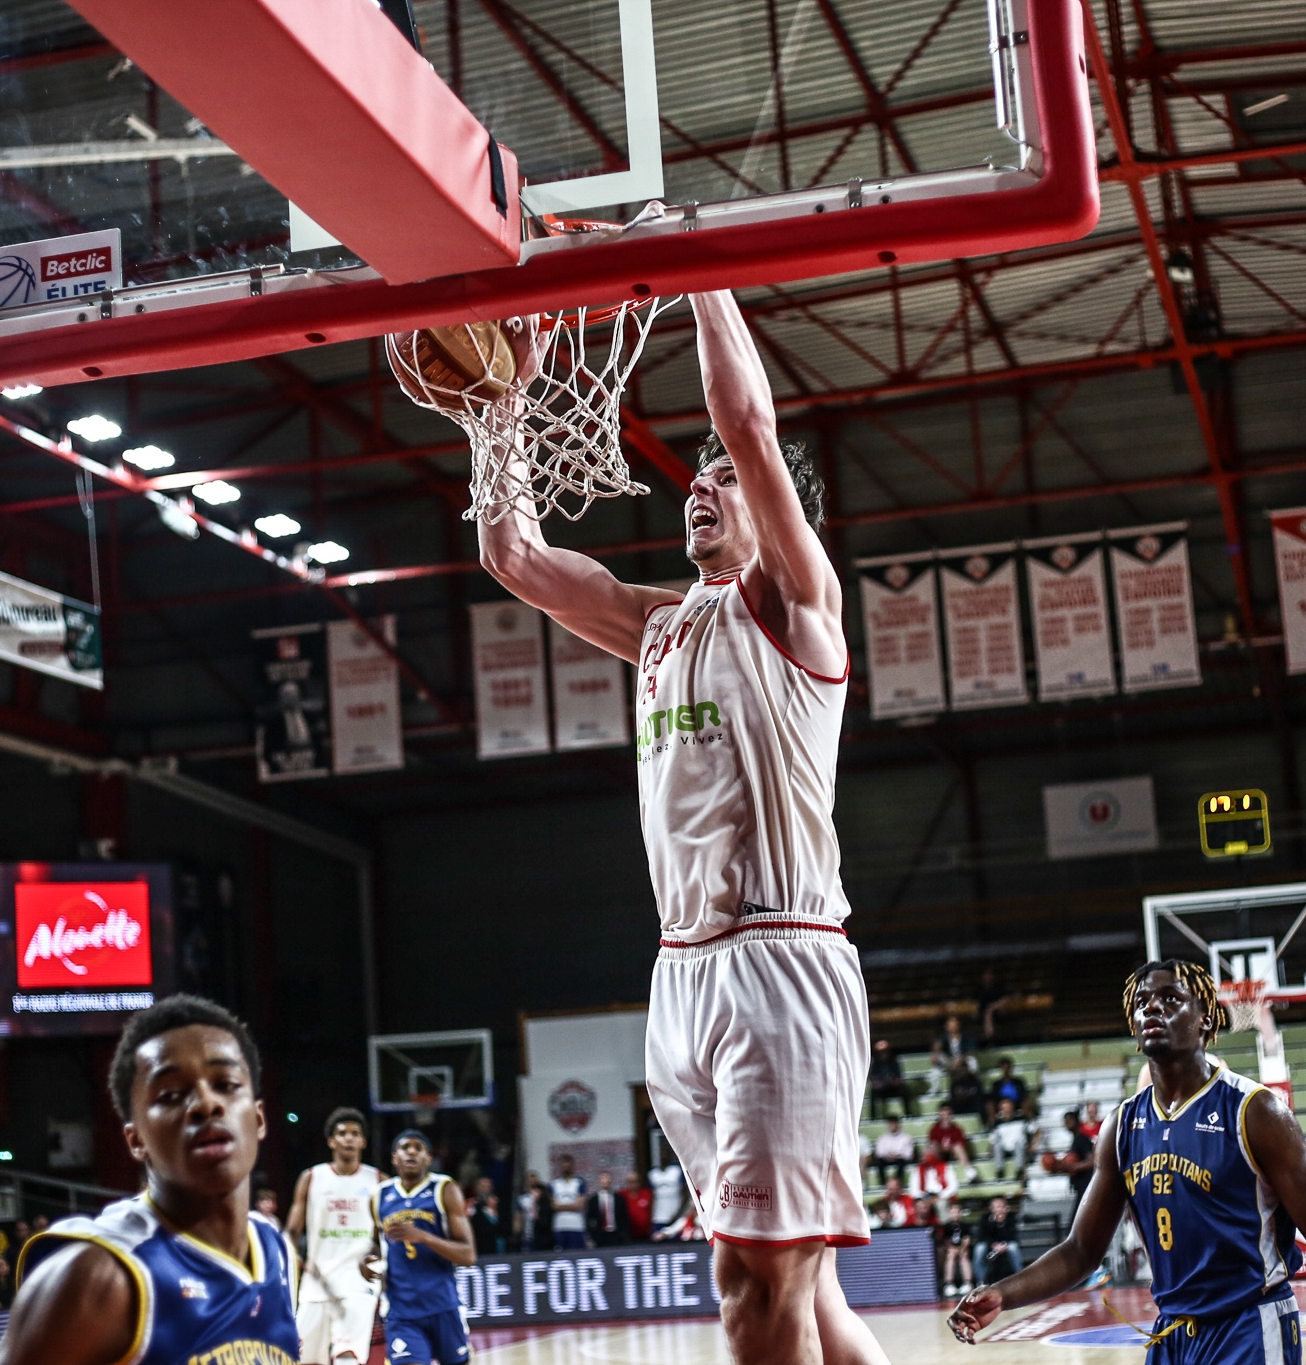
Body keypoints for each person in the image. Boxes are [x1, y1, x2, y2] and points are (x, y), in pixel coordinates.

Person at [477, 289, 881, 1365]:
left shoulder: (795, 604)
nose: (696, 491)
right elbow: (513, 559)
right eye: (689, 483)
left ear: (765, 509)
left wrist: (697, 275)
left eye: (718, 485)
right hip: (681, 974)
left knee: (756, 1295)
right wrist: (498, 410)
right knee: (796, 1296)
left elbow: (747, 426)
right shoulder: (660, 623)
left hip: (777, 957)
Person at [951, 959, 1306, 1365]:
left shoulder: (1256, 1111)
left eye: (1171, 999)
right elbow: (1080, 1251)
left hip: (1248, 1326)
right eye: (1142, 1002)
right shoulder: (1121, 1126)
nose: (1152, 1009)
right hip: (1171, 1334)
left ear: (1204, 1018)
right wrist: (1003, 1293)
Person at [0, 995, 301, 1365]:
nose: (205, 1103)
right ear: (136, 1140)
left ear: (260, 1118)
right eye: (171, 1095)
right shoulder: (99, 1275)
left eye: (227, 1084)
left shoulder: (276, 1253)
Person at [363, 1130, 476, 1365]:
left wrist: (423, 1237)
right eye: (405, 1148)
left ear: (428, 1158)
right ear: (394, 1158)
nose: (411, 1151)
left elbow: (468, 1255)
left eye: (418, 1147)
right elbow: (377, 1244)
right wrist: (366, 1260)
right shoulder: (379, 1196)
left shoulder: (444, 1189)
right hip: (401, 1311)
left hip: (442, 1305)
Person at [287, 1106, 382, 1365]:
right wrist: (290, 1256)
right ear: (331, 1141)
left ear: (363, 1141)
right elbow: (291, 1232)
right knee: (302, 1360)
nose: (349, 1138)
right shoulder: (311, 1178)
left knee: (348, 1358)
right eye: (342, 1133)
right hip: (316, 1282)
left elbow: (386, 1236)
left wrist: (381, 1263)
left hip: (358, 1283)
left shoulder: (378, 1181)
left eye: (355, 1133)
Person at [972, 1196, 1020, 1289]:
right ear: (992, 1209)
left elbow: (1012, 1235)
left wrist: (1004, 1244)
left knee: (1013, 1248)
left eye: (1002, 1206)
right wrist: (993, 1244)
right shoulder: (986, 1218)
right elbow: (983, 1235)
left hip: (1006, 1243)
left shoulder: (1011, 1218)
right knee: (979, 1249)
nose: (1000, 1209)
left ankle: (1020, 1277)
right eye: (997, 1207)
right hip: (990, 1243)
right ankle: (981, 1281)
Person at [548, 1155, 588, 1251]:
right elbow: (554, 1206)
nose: (566, 1167)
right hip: (560, 1226)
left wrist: (561, 1206)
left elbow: (580, 1205)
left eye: (568, 1165)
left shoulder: (579, 1183)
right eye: (564, 1164)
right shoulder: (554, 1184)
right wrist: (572, 1205)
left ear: (572, 1166)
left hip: (576, 1226)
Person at [988, 1098, 1034, 1181]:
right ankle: (999, 1170)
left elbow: (1035, 1131)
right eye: (1004, 1107)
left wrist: (1032, 1146)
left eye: (1008, 1106)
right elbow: (993, 1138)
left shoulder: (1021, 1118)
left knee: (1018, 1144)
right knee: (997, 1146)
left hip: (1019, 1146)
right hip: (1005, 1147)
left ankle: (1019, 1170)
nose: (1007, 1109)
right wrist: (991, 1149)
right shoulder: (998, 1122)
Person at [936, 1202, 974, 1298]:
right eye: (953, 1212)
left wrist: (962, 1248)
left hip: (962, 1248)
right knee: (951, 1255)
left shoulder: (965, 1226)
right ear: (949, 1213)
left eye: (957, 1212)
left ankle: (967, 1282)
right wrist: (952, 1248)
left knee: (964, 1256)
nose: (955, 1214)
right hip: (951, 1249)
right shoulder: (946, 1226)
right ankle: (949, 1283)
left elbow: (967, 1239)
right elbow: (946, 1240)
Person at [585, 1172, 631, 1247]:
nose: (605, 1182)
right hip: (600, 1236)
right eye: (603, 1179)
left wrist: (623, 1235)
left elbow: (624, 1218)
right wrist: (594, 1236)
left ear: (611, 1181)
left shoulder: (619, 1199)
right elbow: (590, 1219)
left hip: (616, 1235)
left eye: (607, 1179)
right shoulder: (593, 1200)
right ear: (599, 1181)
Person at [646, 1147, 685, 1233]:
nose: (663, 1156)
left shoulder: (677, 1171)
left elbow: (685, 1193)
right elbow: (650, 1196)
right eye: (661, 1154)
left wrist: (679, 1213)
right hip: (658, 1216)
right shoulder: (652, 1174)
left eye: (665, 1154)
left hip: (675, 1214)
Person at [868, 1038, 910, 1119]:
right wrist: (879, 1083)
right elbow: (873, 1079)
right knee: (873, 1093)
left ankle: (908, 1113)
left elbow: (899, 1077)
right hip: (882, 1090)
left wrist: (893, 1081)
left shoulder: (893, 1061)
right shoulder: (875, 1063)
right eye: (881, 1052)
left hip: (893, 1088)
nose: (883, 1054)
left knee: (905, 1090)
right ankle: (873, 1117)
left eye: (885, 1051)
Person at [870, 1115, 914, 1187]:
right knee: (879, 1163)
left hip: (900, 1159)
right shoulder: (882, 1138)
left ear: (898, 1124)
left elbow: (909, 1154)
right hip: (886, 1159)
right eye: (891, 1124)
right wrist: (888, 1156)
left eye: (894, 1124)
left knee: (902, 1163)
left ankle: (897, 1183)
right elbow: (879, 1153)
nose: (892, 1126)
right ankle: (884, 1184)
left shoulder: (906, 1138)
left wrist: (897, 1155)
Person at [466, 1179, 504, 1255]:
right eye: (483, 1187)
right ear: (477, 1188)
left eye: (488, 1187)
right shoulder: (472, 1205)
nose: (485, 1190)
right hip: (479, 1245)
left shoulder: (500, 1205)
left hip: (497, 1246)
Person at [620, 1170, 654, 1242]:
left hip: (645, 1233)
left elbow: (653, 1210)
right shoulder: (622, 1195)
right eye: (631, 1182)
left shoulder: (646, 1193)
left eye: (636, 1181)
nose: (634, 1184)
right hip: (629, 1234)